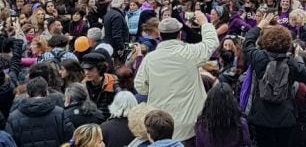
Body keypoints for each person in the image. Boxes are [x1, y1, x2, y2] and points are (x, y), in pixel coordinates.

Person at [134, 13, 219, 145]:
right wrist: (205, 23)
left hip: (162, 126)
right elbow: (212, 43)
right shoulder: (190, 52)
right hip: (188, 126)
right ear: (180, 34)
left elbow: (140, 87)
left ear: (160, 36)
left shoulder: (150, 59)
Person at [241, 24, 306, 147]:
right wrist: (298, 58)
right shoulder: (291, 63)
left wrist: (259, 27)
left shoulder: (259, 57)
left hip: (261, 115)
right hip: (285, 116)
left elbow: (247, 44)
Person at [5, 77, 74, 146]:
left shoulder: (13, 117)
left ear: (27, 94)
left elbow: (9, 142)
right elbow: (70, 138)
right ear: (47, 92)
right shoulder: (59, 113)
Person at [81, 52, 120, 117]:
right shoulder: (82, 85)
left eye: (90, 69)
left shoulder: (113, 84)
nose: (86, 73)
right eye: (85, 69)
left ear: (100, 68)